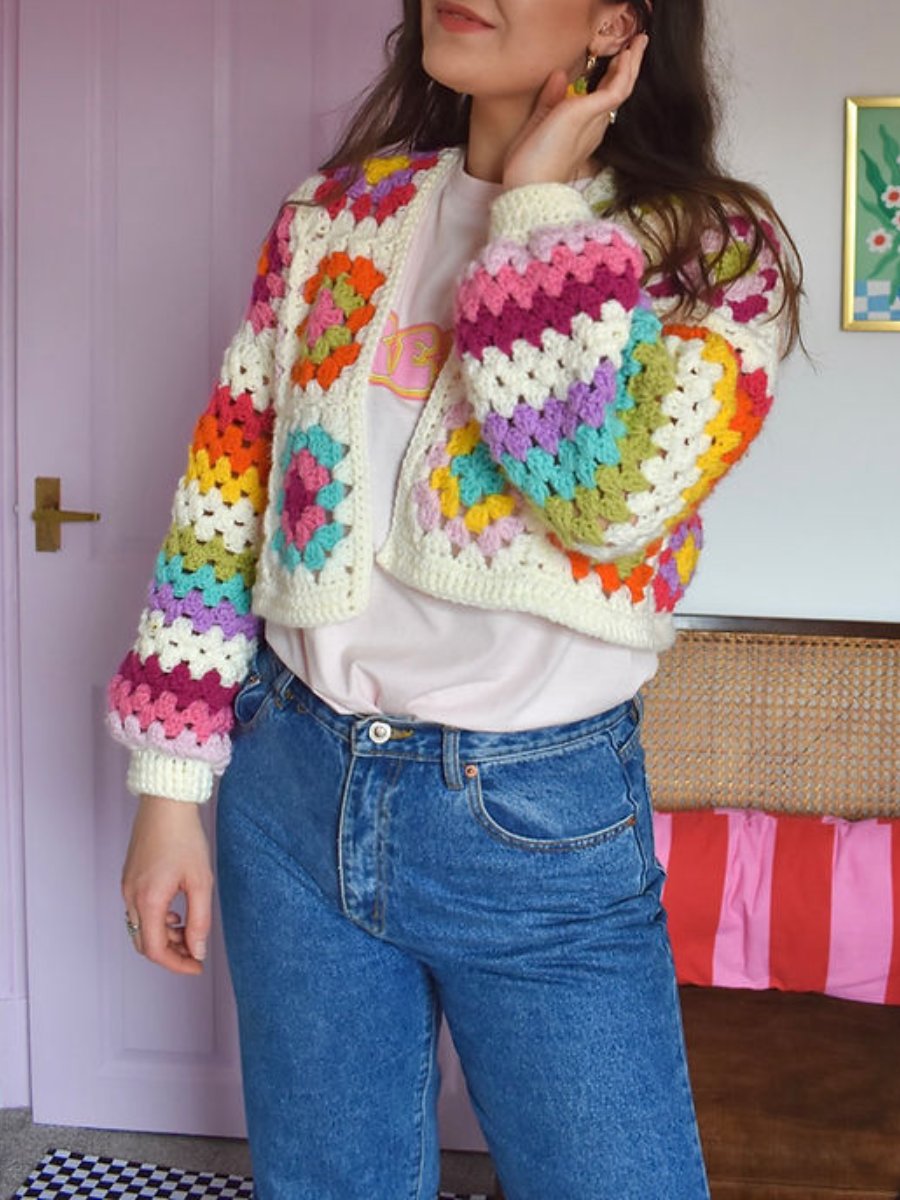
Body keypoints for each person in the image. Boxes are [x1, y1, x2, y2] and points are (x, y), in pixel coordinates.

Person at [110, 0, 802, 1196]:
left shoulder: (712, 254)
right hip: (290, 792)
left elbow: (602, 494)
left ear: (619, 21)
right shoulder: (339, 217)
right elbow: (228, 486)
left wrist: (534, 203)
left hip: (536, 825)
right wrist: (170, 786)